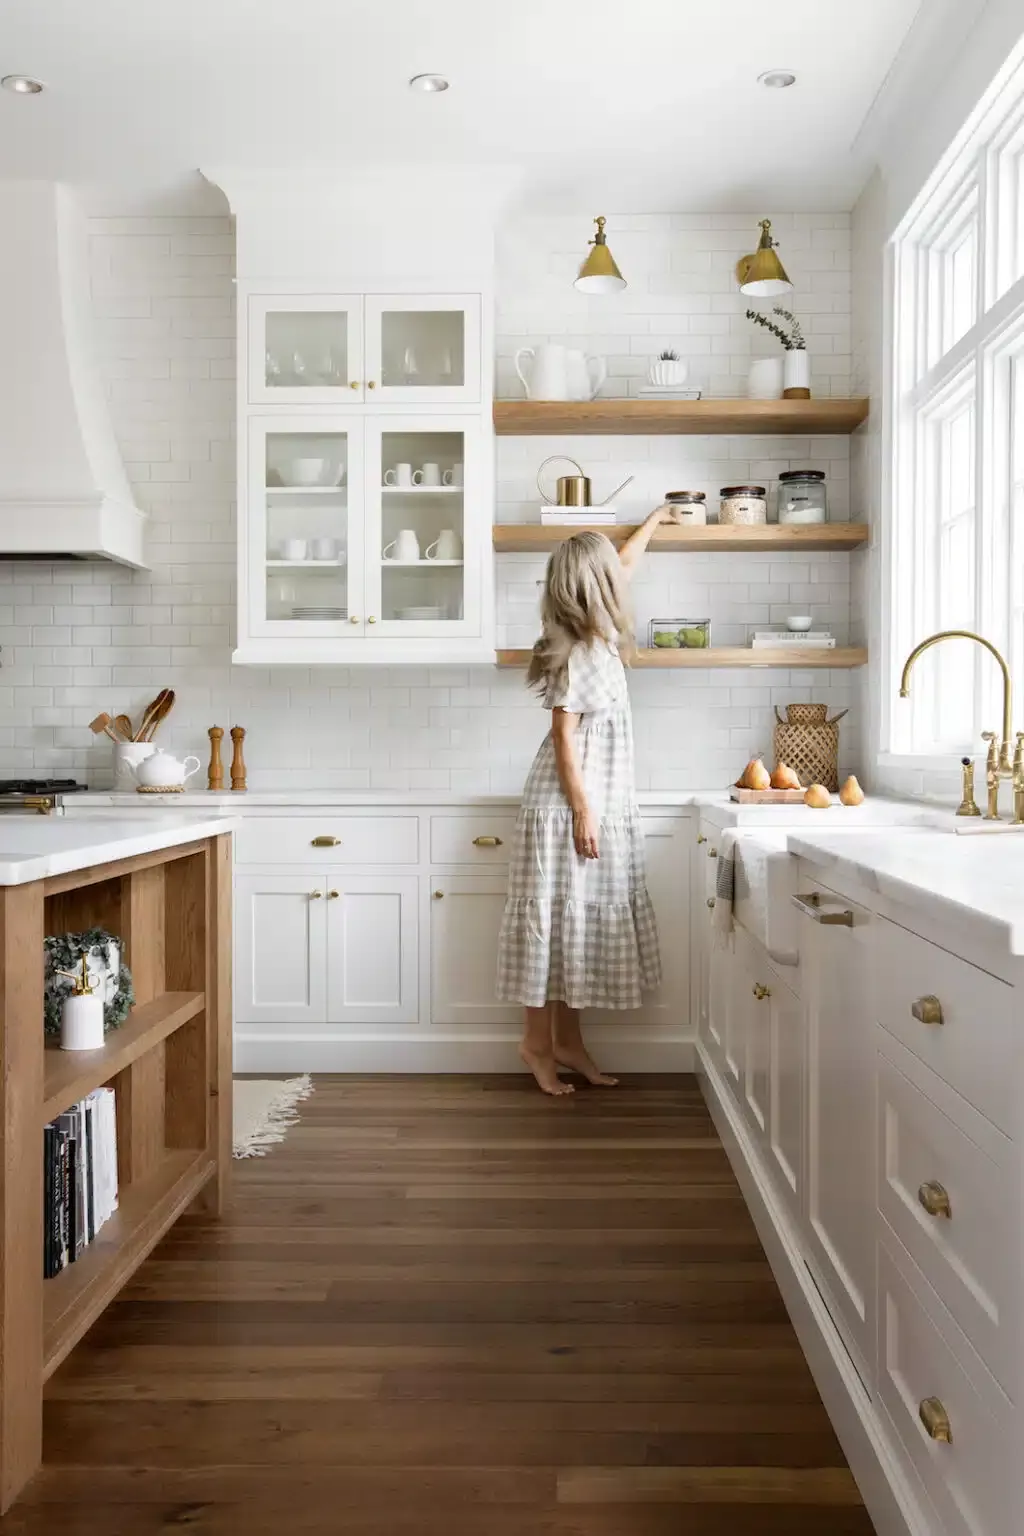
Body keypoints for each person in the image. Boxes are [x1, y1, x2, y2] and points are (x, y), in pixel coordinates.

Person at [496, 506, 682, 1095]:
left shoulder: (594, 637)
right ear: (596, 588)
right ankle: (536, 1045)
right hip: (566, 807)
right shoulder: (580, 652)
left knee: (570, 928)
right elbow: (564, 737)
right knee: (550, 927)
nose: (620, 580)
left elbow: (624, 563)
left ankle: (570, 1043)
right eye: (610, 576)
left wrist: (656, 519)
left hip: (591, 800)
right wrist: (583, 812)